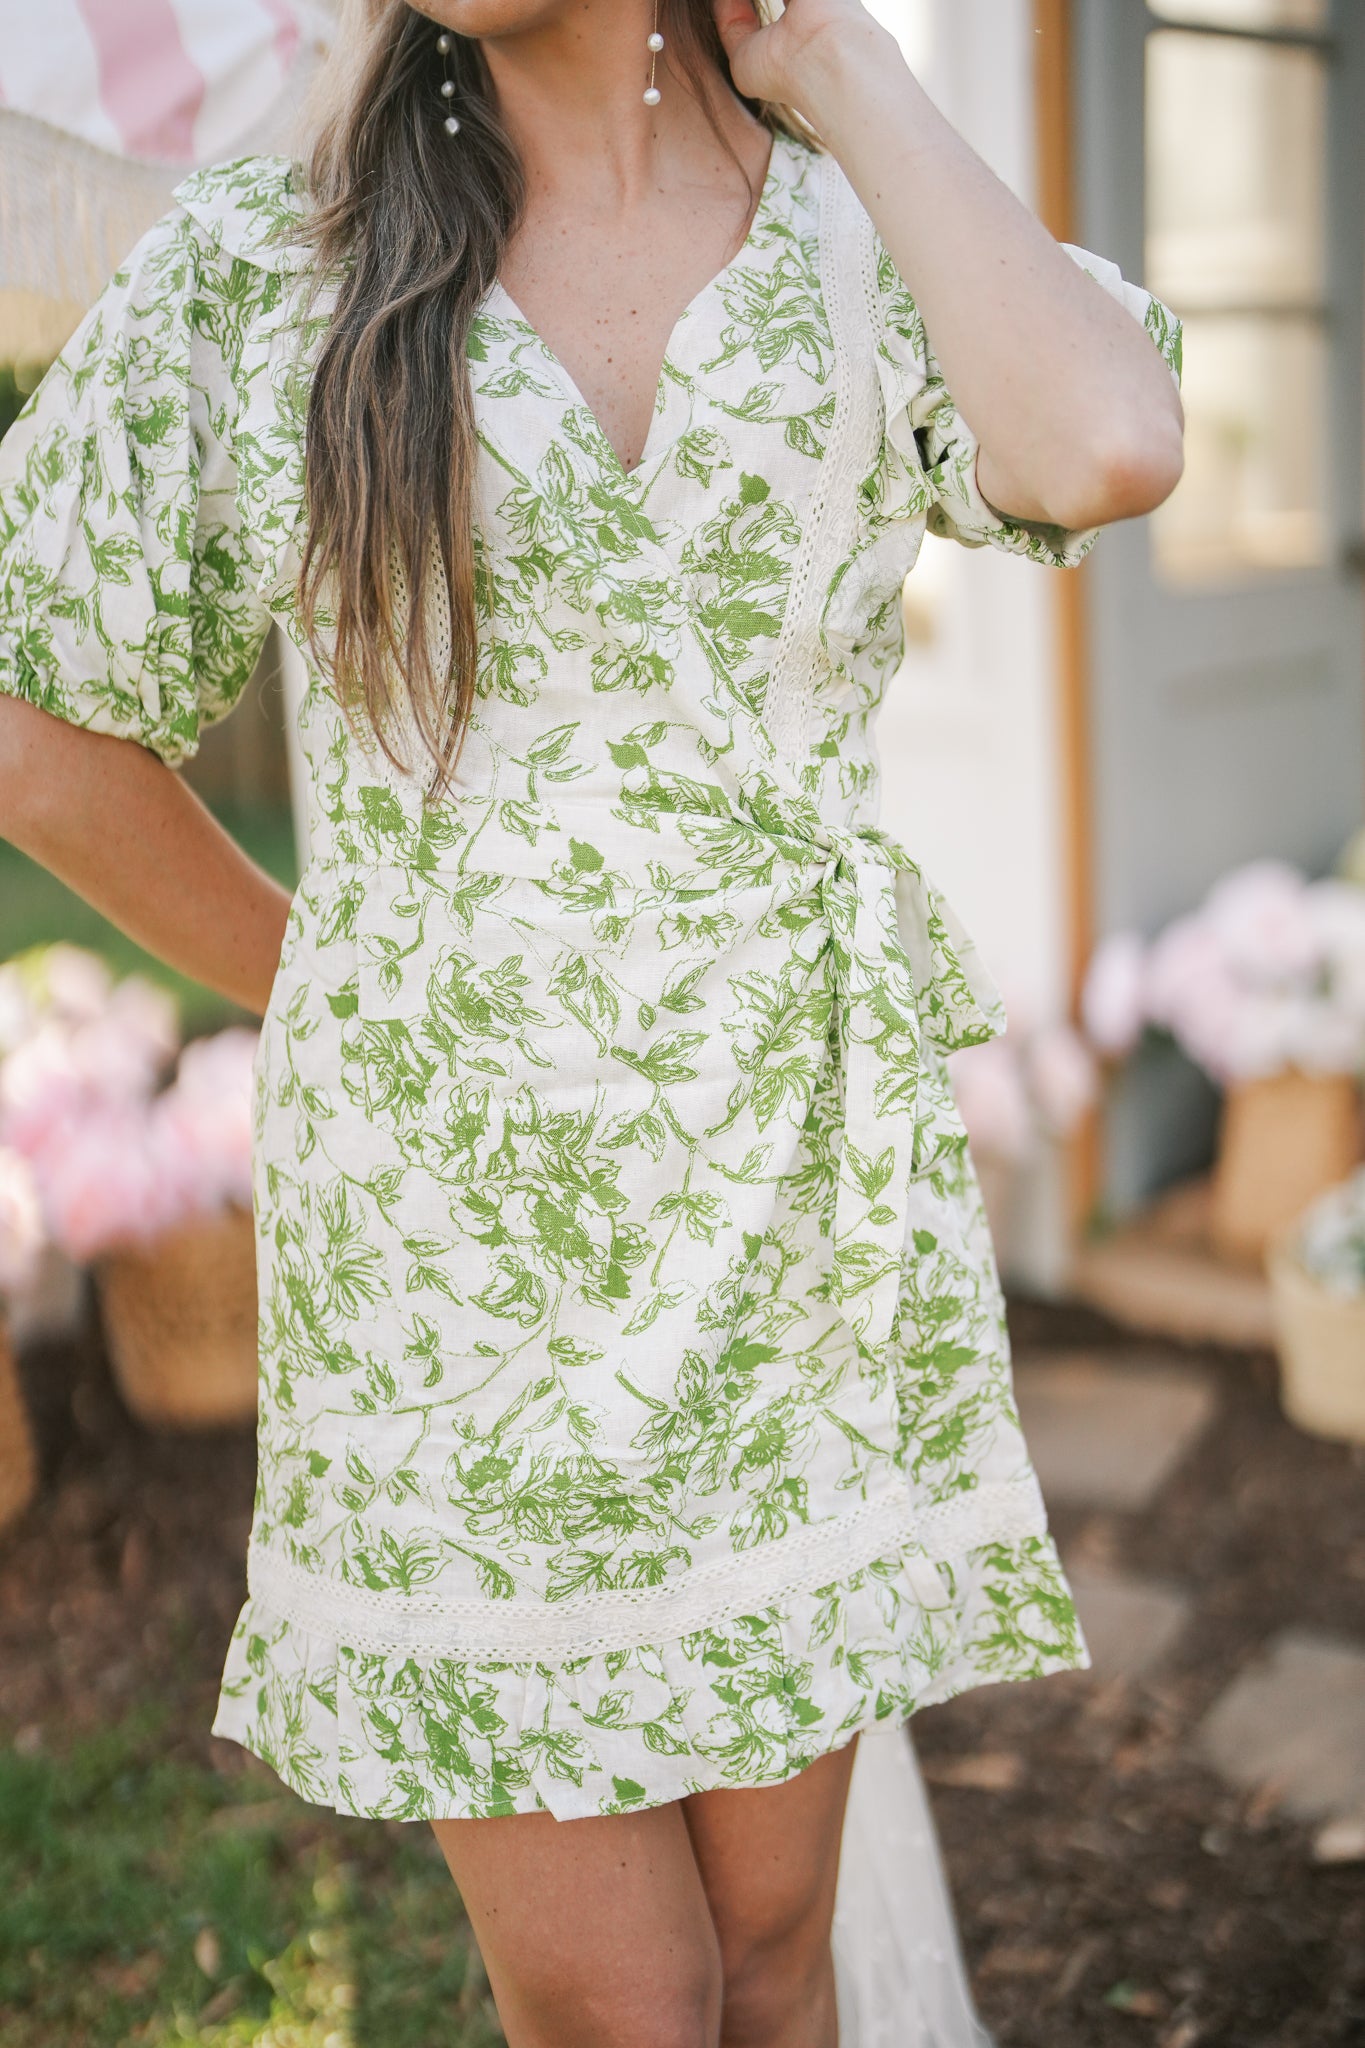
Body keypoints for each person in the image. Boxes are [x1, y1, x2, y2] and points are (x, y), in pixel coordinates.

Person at [0, 2, 1183, 2043]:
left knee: (769, 1963)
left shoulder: (852, 223)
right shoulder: (279, 249)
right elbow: (37, 725)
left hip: (795, 1227)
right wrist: (332, 973)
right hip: (462, 1275)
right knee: (621, 2011)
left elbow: (1104, 441)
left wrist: (841, 68)